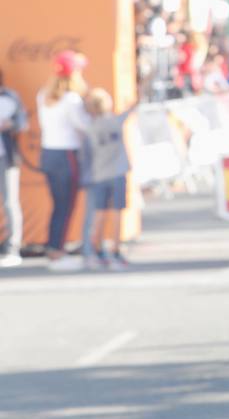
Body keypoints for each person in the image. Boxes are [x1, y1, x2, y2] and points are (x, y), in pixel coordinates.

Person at [36, 50, 90, 271]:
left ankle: (54, 247)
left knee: (58, 205)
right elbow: (84, 126)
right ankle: (57, 252)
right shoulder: (72, 99)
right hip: (67, 155)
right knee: (66, 206)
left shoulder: (43, 95)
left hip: (49, 154)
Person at [79, 88, 136, 270]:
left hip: (98, 175)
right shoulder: (116, 121)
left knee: (98, 214)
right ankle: (116, 251)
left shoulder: (89, 128)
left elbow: (85, 155)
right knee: (118, 213)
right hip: (117, 173)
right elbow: (132, 108)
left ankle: (96, 251)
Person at [0, 66, 28, 267]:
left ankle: (12, 247)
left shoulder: (10, 97)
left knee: (10, 201)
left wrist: (11, 125)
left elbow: (23, 123)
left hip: (6, 156)